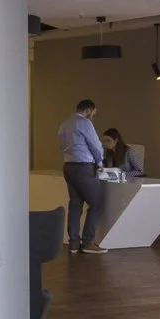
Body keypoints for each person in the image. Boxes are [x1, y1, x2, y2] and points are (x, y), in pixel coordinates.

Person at [57, 98, 107, 254]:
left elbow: (61, 145)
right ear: (88, 110)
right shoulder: (84, 122)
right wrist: (100, 162)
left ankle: (73, 243)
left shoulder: (65, 124)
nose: (93, 116)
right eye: (94, 113)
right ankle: (87, 242)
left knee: (75, 204)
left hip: (68, 166)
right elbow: (95, 145)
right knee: (97, 203)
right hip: (83, 166)